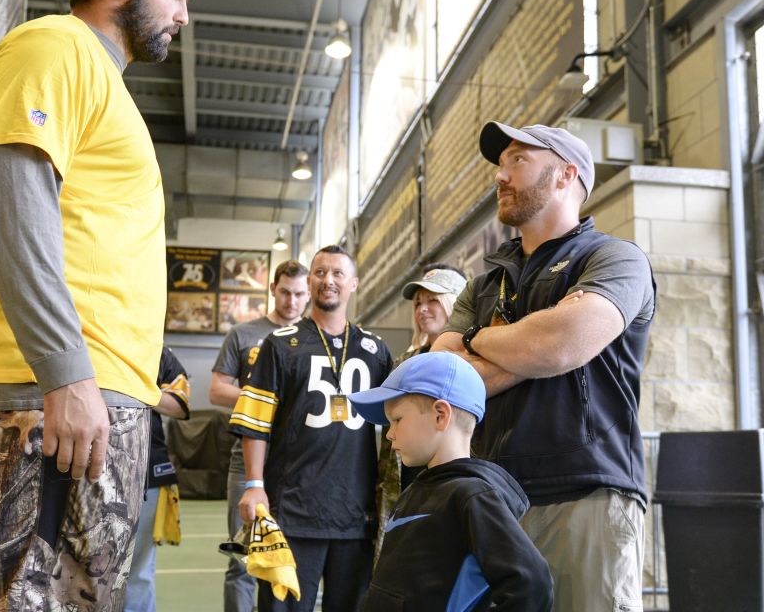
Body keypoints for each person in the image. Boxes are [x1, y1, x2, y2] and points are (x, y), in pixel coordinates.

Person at [0, 0, 200, 610]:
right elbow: (13, 203)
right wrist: (66, 372)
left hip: (90, 397)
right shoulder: (53, 48)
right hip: (48, 395)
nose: (182, 14)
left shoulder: (102, 84)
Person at [433, 122, 656, 612]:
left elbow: (562, 344)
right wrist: (527, 349)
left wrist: (479, 341)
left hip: (586, 491)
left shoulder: (615, 259)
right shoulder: (483, 285)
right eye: (501, 163)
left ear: (564, 176)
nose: (500, 175)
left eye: (518, 160)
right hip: (494, 498)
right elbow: (443, 379)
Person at [230, 246, 394, 612]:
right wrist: (254, 485)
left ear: (354, 283)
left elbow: (398, 425)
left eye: (337, 273)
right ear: (310, 281)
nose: (328, 280)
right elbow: (255, 421)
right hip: (292, 513)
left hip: (356, 514)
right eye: (320, 272)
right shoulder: (279, 344)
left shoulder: (375, 350)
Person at [349, 352, 553, 611]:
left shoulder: (472, 496)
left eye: (397, 420)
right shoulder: (418, 492)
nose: (389, 433)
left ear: (440, 415)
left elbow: (532, 585)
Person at [209, 260, 310, 612]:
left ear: (309, 293)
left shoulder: (313, 340)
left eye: (299, 294)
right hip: (247, 460)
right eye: (285, 292)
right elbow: (217, 391)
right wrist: (265, 397)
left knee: (298, 554)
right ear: (272, 289)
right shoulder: (244, 334)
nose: (292, 301)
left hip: (298, 460)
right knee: (242, 556)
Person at [375, 263, 468, 555]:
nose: (422, 309)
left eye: (433, 301)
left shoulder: (472, 361)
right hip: (407, 489)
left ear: (455, 302)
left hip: (455, 489)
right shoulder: (406, 362)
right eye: (418, 303)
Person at [123, 347, 192, 612]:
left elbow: (180, 403)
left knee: (138, 570)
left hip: (148, 471)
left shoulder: (156, 349)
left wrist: (132, 389)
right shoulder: (88, 338)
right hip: (85, 469)